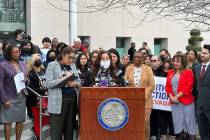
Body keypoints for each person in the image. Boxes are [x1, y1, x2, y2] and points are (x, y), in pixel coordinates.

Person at [46, 47, 80, 140]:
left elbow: (79, 81)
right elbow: (48, 83)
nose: (71, 60)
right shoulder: (52, 65)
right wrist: (61, 80)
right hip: (58, 102)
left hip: (72, 100)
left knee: (69, 130)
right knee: (57, 131)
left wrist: (75, 84)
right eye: (69, 57)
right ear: (62, 55)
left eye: (73, 58)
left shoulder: (72, 66)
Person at [124, 51, 155, 140]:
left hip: (146, 100)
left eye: (139, 57)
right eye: (135, 57)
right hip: (132, 100)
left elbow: (151, 85)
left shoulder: (148, 69)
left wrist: (143, 96)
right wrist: (132, 95)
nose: (137, 59)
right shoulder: (128, 68)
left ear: (143, 58)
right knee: (133, 121)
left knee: (145, 122)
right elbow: (126, 83)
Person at [0, 44, 28, 140]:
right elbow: (0, 83)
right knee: (8, 121)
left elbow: (27, 79)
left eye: (18, 51)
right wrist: (4, 99)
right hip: (9, 96)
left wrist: (26, 80)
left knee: (20, 120)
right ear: (9, 53)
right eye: (15, 52)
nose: (18, 53)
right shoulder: (3, 65)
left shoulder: (23, 64)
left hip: (21, 96)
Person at [165, 53, 196, 140]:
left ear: (183, 62)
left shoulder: (188, 72)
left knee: (189, 123)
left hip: (187, 103)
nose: (175, 63)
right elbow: (167, 86)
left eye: (178, 62)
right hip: (175, 103)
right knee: (178, 123)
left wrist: (177, 97)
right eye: (174, 61)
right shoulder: (170, 72)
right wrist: (171, 97)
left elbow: (188, 86)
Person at [28, 54, 49, 139]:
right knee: (38, 119)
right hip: (35, 99)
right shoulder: (31, 73)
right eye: (36, 59)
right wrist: (44, 90)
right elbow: (32, 89)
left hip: (45, 99)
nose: (38, 60)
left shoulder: (43, 71)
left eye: (39, 59)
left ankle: (34, 129)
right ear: (33, 61)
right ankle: (38, 135)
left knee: (47, 118)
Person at [193, 44, 210, 140]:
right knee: (203, 134)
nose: (202, 55)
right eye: (201, 52)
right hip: (200, 107)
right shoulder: (196, 68)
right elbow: (195, 87)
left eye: (205, 53)